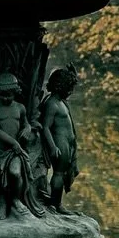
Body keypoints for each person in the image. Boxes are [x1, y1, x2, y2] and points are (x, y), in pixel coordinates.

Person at [0, 72, 39, 215]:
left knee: (15, 173)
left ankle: (15, 199)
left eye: (9, 95)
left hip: (14, 149)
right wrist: (14, 143)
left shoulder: (20, 107)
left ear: (15, 92)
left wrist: (27, 128)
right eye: (2, 95)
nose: (6, 98)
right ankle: (2, 203)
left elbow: (26, 123)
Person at [39, 67, 80, 210]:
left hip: (68, 143)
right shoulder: (51, 103)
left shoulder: (62, 102)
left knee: (66, 173)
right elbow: (45, 127)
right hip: (59, 143)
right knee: (59, 174)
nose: (70, 92)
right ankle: (56, 204)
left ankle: (56, 202)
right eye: (69, 88)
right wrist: (52, 147)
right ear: (59, 86)